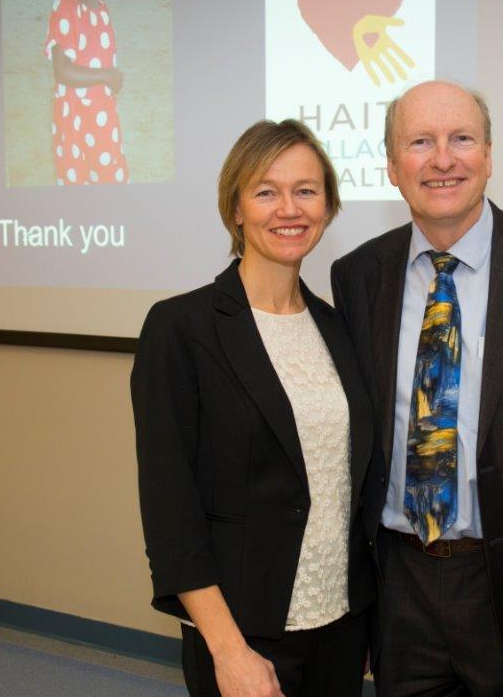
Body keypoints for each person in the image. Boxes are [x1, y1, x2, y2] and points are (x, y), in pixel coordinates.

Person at [330, 80, 503, 696]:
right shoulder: (358, 276)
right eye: (420, 142)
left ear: (488, 154)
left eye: (461, 139)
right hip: (400, 574)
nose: (443, 159)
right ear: (392, 165)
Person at [132, 119, 375, 697]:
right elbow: (170, 511)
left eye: (306, 190)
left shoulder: (340, 329)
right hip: (244, 631)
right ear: (236, 208)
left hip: (342, 625)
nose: (288, 208)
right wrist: (227, 649)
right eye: (266, 191)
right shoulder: (181, 329)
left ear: (328, 205)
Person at [44, 0, 129, 186]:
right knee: (78, 176)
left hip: (102, 114)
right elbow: (63, 70)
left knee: (109, 170)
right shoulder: (65, 7)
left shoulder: (101, 5)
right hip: (77, 120)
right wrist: (108, 75)